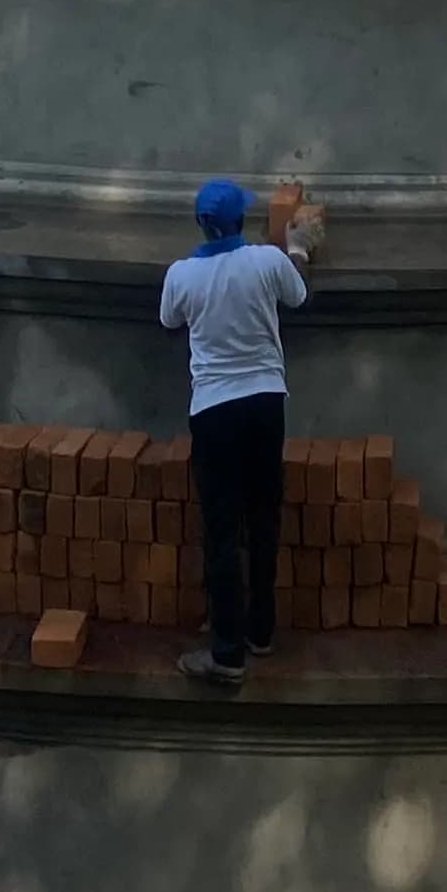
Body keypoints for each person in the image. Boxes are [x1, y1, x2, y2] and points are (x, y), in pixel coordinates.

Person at [161, 174, 319, 689]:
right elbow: (298, 295)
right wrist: (297, 247)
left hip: (213, 411)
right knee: (264, 516)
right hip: (265, 403)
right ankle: (261, 631)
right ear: (242, 220)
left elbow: (169, 321)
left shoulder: (182, 275)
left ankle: (226, 652)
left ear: (201, 224)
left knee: (223, 530)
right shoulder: (266, 261)